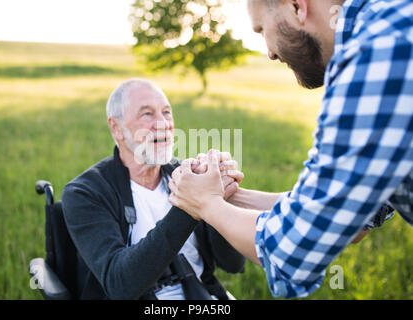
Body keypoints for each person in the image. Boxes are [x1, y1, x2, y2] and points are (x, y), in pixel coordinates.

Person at [168, 0, 412, 298]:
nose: (269, 52)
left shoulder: (374, 54)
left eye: (261, 30)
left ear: (297, 6)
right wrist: (230, 195)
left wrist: (205, 204)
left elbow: (293, 253)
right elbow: (348, 217)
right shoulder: (390, 26)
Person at [61, 78, 245, 300]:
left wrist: (221, 200)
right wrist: (191, 205)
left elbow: (232, 264)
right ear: (117, 128)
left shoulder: (188, 175)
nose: (163, 123)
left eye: (166, 112)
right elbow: (120, 286)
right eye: (147, 114)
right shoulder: (86, 193)